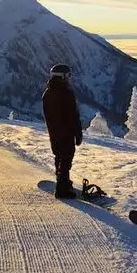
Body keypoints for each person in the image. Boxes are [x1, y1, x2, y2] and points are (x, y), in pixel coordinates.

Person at [42, 63, 83, 198]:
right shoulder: (66, 93)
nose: (69, 79)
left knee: (59, 156)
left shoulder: (47, 93)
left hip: (54, 132)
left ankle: (62, 180)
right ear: (63, 76)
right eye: (68, 76)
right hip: (66, 132)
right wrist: (77, 132)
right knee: (66, 157)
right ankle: (62, 188)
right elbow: (72, 115)